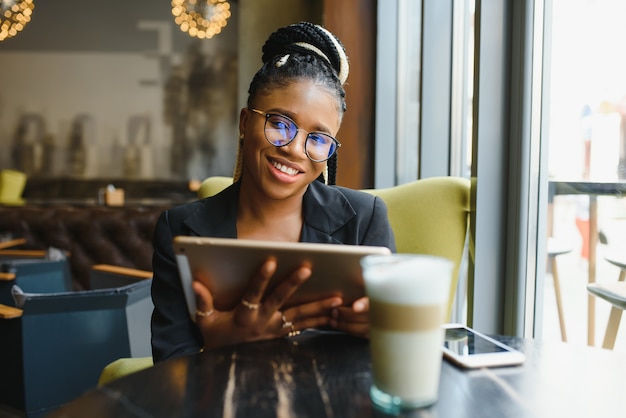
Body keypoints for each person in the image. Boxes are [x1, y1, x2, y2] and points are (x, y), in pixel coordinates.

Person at [151, 22, 396, 362]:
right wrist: (219, 348)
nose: (296, 149)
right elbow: (169, 369)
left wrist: (384, 329)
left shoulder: (365, 221)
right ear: (244, 123)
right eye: (280, 124)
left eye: (318, 139)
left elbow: (392, 354)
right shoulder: (178, 229)